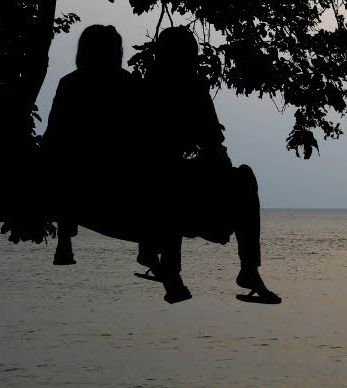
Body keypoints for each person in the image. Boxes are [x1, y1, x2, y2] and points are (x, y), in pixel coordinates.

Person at [141, 26, 280, 304]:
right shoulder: (172, 88)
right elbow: (210, 141)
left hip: (169, 180)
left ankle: (247, 268)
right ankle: (238, 269)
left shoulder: (156, 86)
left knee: (237, 177)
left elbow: (210, 142)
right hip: (160, 183)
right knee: (181, 179)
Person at [43, 24, 143, 266]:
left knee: (67, 159)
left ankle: (64, 241)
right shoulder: (127, 83)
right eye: (117, 48)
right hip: (117, 168)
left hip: (82, 171)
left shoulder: (70, 83)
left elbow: (55, 133)